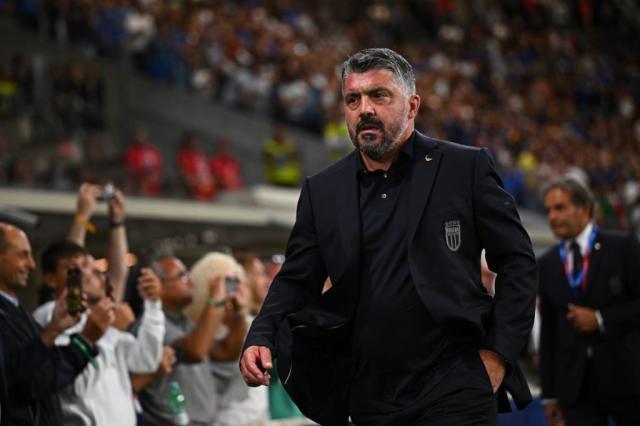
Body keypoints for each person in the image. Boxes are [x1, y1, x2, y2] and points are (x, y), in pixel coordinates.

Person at [240, 48, 538, 426]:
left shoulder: (464, 167)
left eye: (378, 96)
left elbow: (517, 262)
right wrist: (261, 334)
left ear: (412, 106)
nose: (364, 109)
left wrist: (497, 355)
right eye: (353, 99)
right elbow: (297, 278)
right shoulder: (322, 190)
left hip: (455, 383)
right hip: (369, 392)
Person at [538, 176, 640, 426]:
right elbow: (549, 334)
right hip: (575, 389)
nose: (552, 217)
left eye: (560, 208)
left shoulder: (622, 246)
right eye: (548, 210)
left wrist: (601, 319)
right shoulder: (547, 264)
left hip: (627, 379)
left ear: (584, 208)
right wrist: (549, 395)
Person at [0, 222, 109, 425]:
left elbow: (45, 374)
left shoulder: (16, 310)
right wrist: (83, 341)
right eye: (22, 255)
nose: (31, 264)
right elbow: (22, 383)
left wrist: (56, 328)